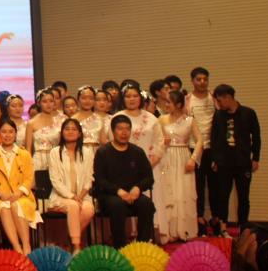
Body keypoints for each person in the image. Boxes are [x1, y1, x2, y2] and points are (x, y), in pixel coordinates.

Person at [93, 115, 156, 248]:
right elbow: (100, 180)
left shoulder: (137, 152)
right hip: (110, 195)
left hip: (133, 194)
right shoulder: (103, 152)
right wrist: (119, 191)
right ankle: (120, 247)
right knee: (117, 205)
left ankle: (142, 245)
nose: (124, 132)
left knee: (147, 204)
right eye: (120, 129)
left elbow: (149, 178)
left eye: (127, 129)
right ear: (113, 131)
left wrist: (138, 188)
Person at [210, 84, 260, 233]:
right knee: (223, 194)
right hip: (224, 162)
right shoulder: (219, 115)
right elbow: (215, 138)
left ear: (228, 97)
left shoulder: (248, 113)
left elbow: (256, 137)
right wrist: (215, 159)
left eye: (220, 100)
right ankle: (223, 226)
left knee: (243, 196)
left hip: (243, 161)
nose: (219, 104)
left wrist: (255, 158)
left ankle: (242, 226)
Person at [0, 119, 39, 255]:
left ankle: (26, 246)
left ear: (15, 134)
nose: (7, 135)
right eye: (4, 132)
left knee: (16, 205)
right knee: (4, 207)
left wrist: (18, 193)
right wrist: (2, 194)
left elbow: (28, 179)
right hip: (0, 197)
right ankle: (17, 248)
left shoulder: (24, 154)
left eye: (11, 132)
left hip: (22, 196)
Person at [154, 90, 202, 243]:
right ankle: (168, 231)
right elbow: (156, 139)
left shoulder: (190, 120)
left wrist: (193, 159)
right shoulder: (161, 119)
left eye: (169, 102)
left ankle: (184, 230)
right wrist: (163, 143)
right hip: (166, 157)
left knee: (184, 191)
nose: (166, 105)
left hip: (183, 157)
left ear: (179, 104)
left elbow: (200, 141)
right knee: (168, 191)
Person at [47, 119, 94, 254]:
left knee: (89, 209)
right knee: (73, 205)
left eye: (74, 129)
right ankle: (76, 246)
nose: (70, 132)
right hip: (61, 197)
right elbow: (55, 180)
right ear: (62, 133)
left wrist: (81, 195)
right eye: (67, 129)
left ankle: (69, 239)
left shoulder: (87, 152)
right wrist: (72, 196)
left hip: (82, 196)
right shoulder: (55, 152)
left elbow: (89, 177)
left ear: (79, 133)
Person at [185, 66, 217, 234]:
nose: (202, 82)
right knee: (197, 186)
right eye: (199, 79)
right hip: (194, 147)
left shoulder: (214, 97)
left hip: (213, 147)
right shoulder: (187, 99)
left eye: (205, 79)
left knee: (215, 186)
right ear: (192, 81)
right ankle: (199, 219)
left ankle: (216, 219)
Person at [113, 85, 165, 168]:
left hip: (150, 164)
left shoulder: (152, 118)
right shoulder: (116, 117)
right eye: (128, 96)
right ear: (123, 99)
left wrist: (150, 164)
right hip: (122, 164)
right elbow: (112, 142)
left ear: (140, 98)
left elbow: (159, 142)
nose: (132, 99)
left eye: (135, 96)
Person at [25, 88, 61, 197]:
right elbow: (28, 148)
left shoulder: (60, 120)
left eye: (51, 101)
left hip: (55, 158)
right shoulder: (31, 123)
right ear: (39, 103)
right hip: (39, 159)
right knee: (40, 191)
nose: (48, 104)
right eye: (45, 101)